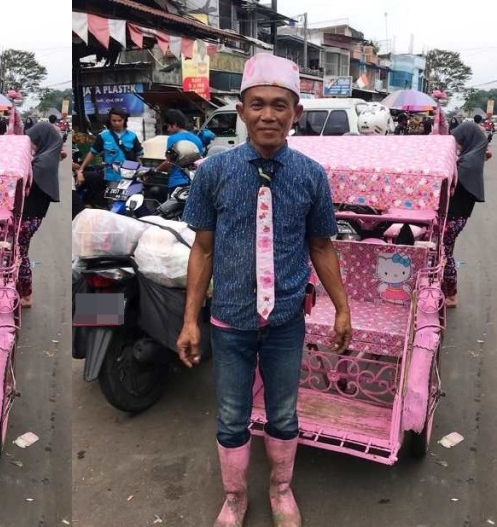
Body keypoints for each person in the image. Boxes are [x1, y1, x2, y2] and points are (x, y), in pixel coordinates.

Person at [177, 53, 351, 527]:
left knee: (283, 410)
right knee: (232, 415)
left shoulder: (311, 175)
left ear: (296, 113)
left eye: (280, 105)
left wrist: (341, 309)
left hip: (286, 322)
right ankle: (234, 497)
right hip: (229, 321)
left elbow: (321, 245)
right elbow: (203, 250)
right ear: (241, 110)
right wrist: (190, 320)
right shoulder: (214, 172)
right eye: (257, 104)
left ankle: (280, 489)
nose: (268, 115)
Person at [443, 121, 490, 308]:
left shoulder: (467, 163)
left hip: (455, 215)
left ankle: (452, 296)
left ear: (467, 140)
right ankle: (446, 290)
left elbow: (450, 177)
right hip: (458, 214)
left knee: (444, 255)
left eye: (459, 141)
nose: (456, 145)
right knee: (445, 253)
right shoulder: (472, 156)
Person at [18, 121, 62, 308]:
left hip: (30, 215)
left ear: (42, 140)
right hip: (32, 214)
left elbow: (25, 181)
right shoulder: (47, 157)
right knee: (19, 253)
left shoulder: (42, 163)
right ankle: (22, 292)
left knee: (19, 254)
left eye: (33, 142)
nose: (31, 145)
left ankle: (26, 296)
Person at [74, 107, 143, 186]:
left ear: (124, 120)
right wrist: (81, 169)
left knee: (132, 198)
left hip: (130, 176)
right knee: (114, 198)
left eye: (120, 120)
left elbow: (138, 156)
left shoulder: (132, 136)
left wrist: (141, 172)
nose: (117, 123)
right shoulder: (103, 136)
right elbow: (92, 153)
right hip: (112, 177)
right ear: (110, 120)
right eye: (114, 121)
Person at [155, 109, 204, 190]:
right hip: (195, 181)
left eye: (167, 126)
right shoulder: (196, 139)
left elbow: (169, 162)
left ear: (174, 124)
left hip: (177, 182)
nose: (167, 129)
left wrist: (156, 169)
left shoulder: (172, 139)